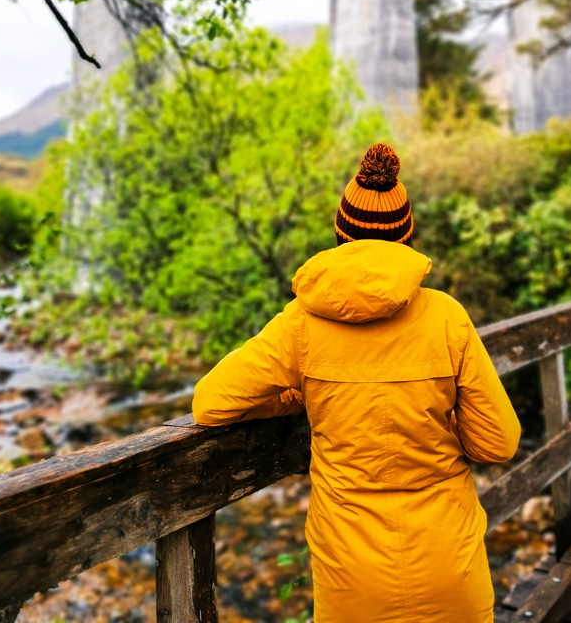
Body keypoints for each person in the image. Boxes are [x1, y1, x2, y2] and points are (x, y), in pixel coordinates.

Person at [193, 143, 521, 623]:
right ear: (406, 236)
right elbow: (498, 443)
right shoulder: (448, 317)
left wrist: (301, 394)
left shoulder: (301, 325)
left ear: (341, 234)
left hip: (352, 576)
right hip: (449, 561)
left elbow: (210, 404)